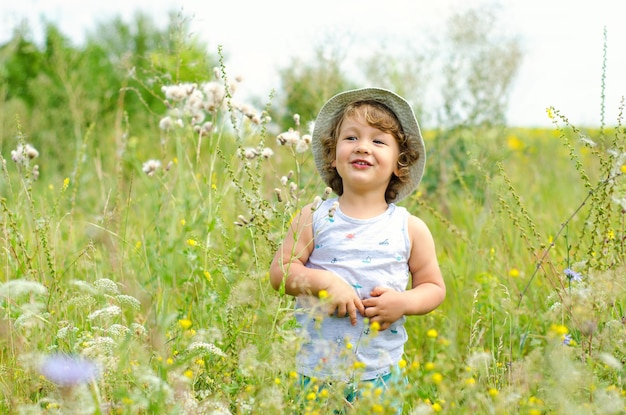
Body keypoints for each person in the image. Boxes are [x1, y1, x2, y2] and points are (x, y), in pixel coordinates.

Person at [269, 88, 446, 413]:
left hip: (380, 374)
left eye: (378, 141)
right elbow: (281, 272)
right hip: (316, 374)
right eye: (351, 138)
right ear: (333, 156)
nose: (363, 146)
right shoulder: (314, 216)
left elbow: (434, 288)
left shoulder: (409, 228)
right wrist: (325, 283)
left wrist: (403, 302)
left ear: (399, 163)